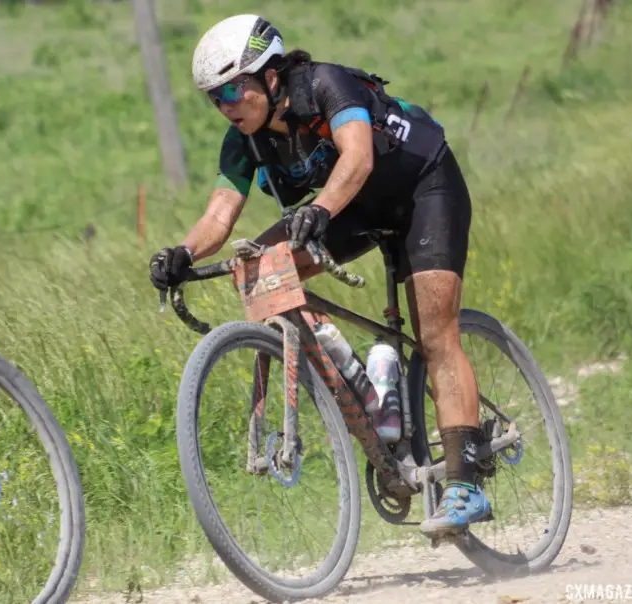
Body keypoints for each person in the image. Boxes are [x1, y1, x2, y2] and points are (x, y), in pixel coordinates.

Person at [148, 14, 491, 536]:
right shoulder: (244, 141)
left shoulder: (325, 85)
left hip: (422, 187)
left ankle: (466, 484)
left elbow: (356, 157)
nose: (226, 107)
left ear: (270, 75)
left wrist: (321, 210)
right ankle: (366, 386)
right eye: (214, 98)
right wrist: (183, 254)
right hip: (351, 208)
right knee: (254, 263)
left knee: (435, 333)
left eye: (234, 90)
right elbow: (220, 216)